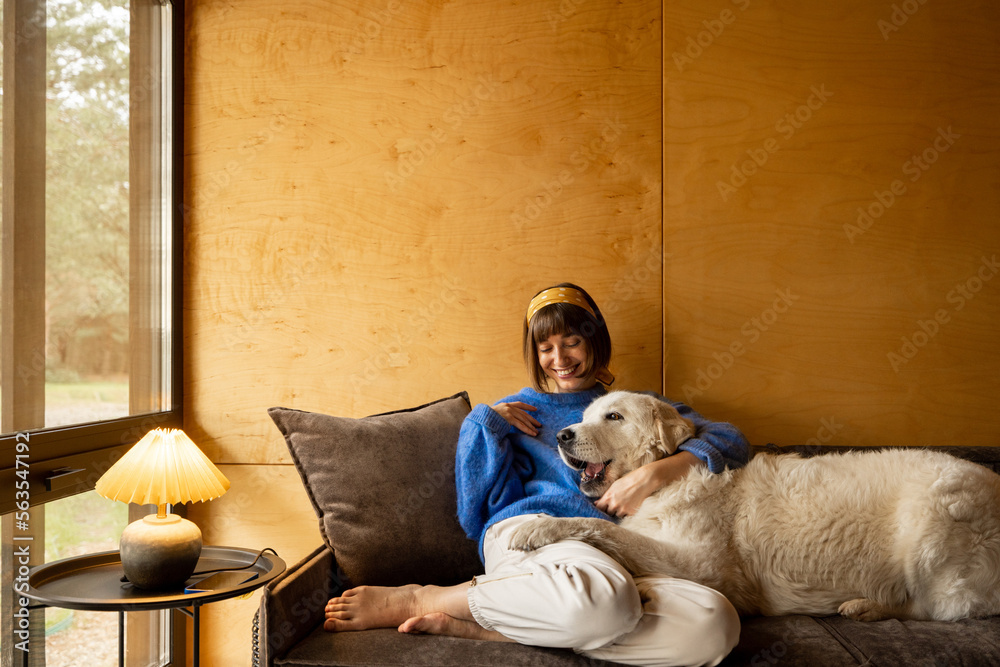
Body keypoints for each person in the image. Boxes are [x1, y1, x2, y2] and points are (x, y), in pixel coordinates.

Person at [325, 283, 750, 667]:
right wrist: (484, 424)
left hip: (612, 550)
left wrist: (659, 471)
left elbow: (730, 439)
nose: (560, 358)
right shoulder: (514, 412)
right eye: (546, 347)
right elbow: (474, 510)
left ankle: (502, 631)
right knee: (606, 601)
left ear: (595, 343)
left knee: (713, 627)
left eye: (572, 342)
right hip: (534, 531)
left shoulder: (629, 406)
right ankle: (426, 597)